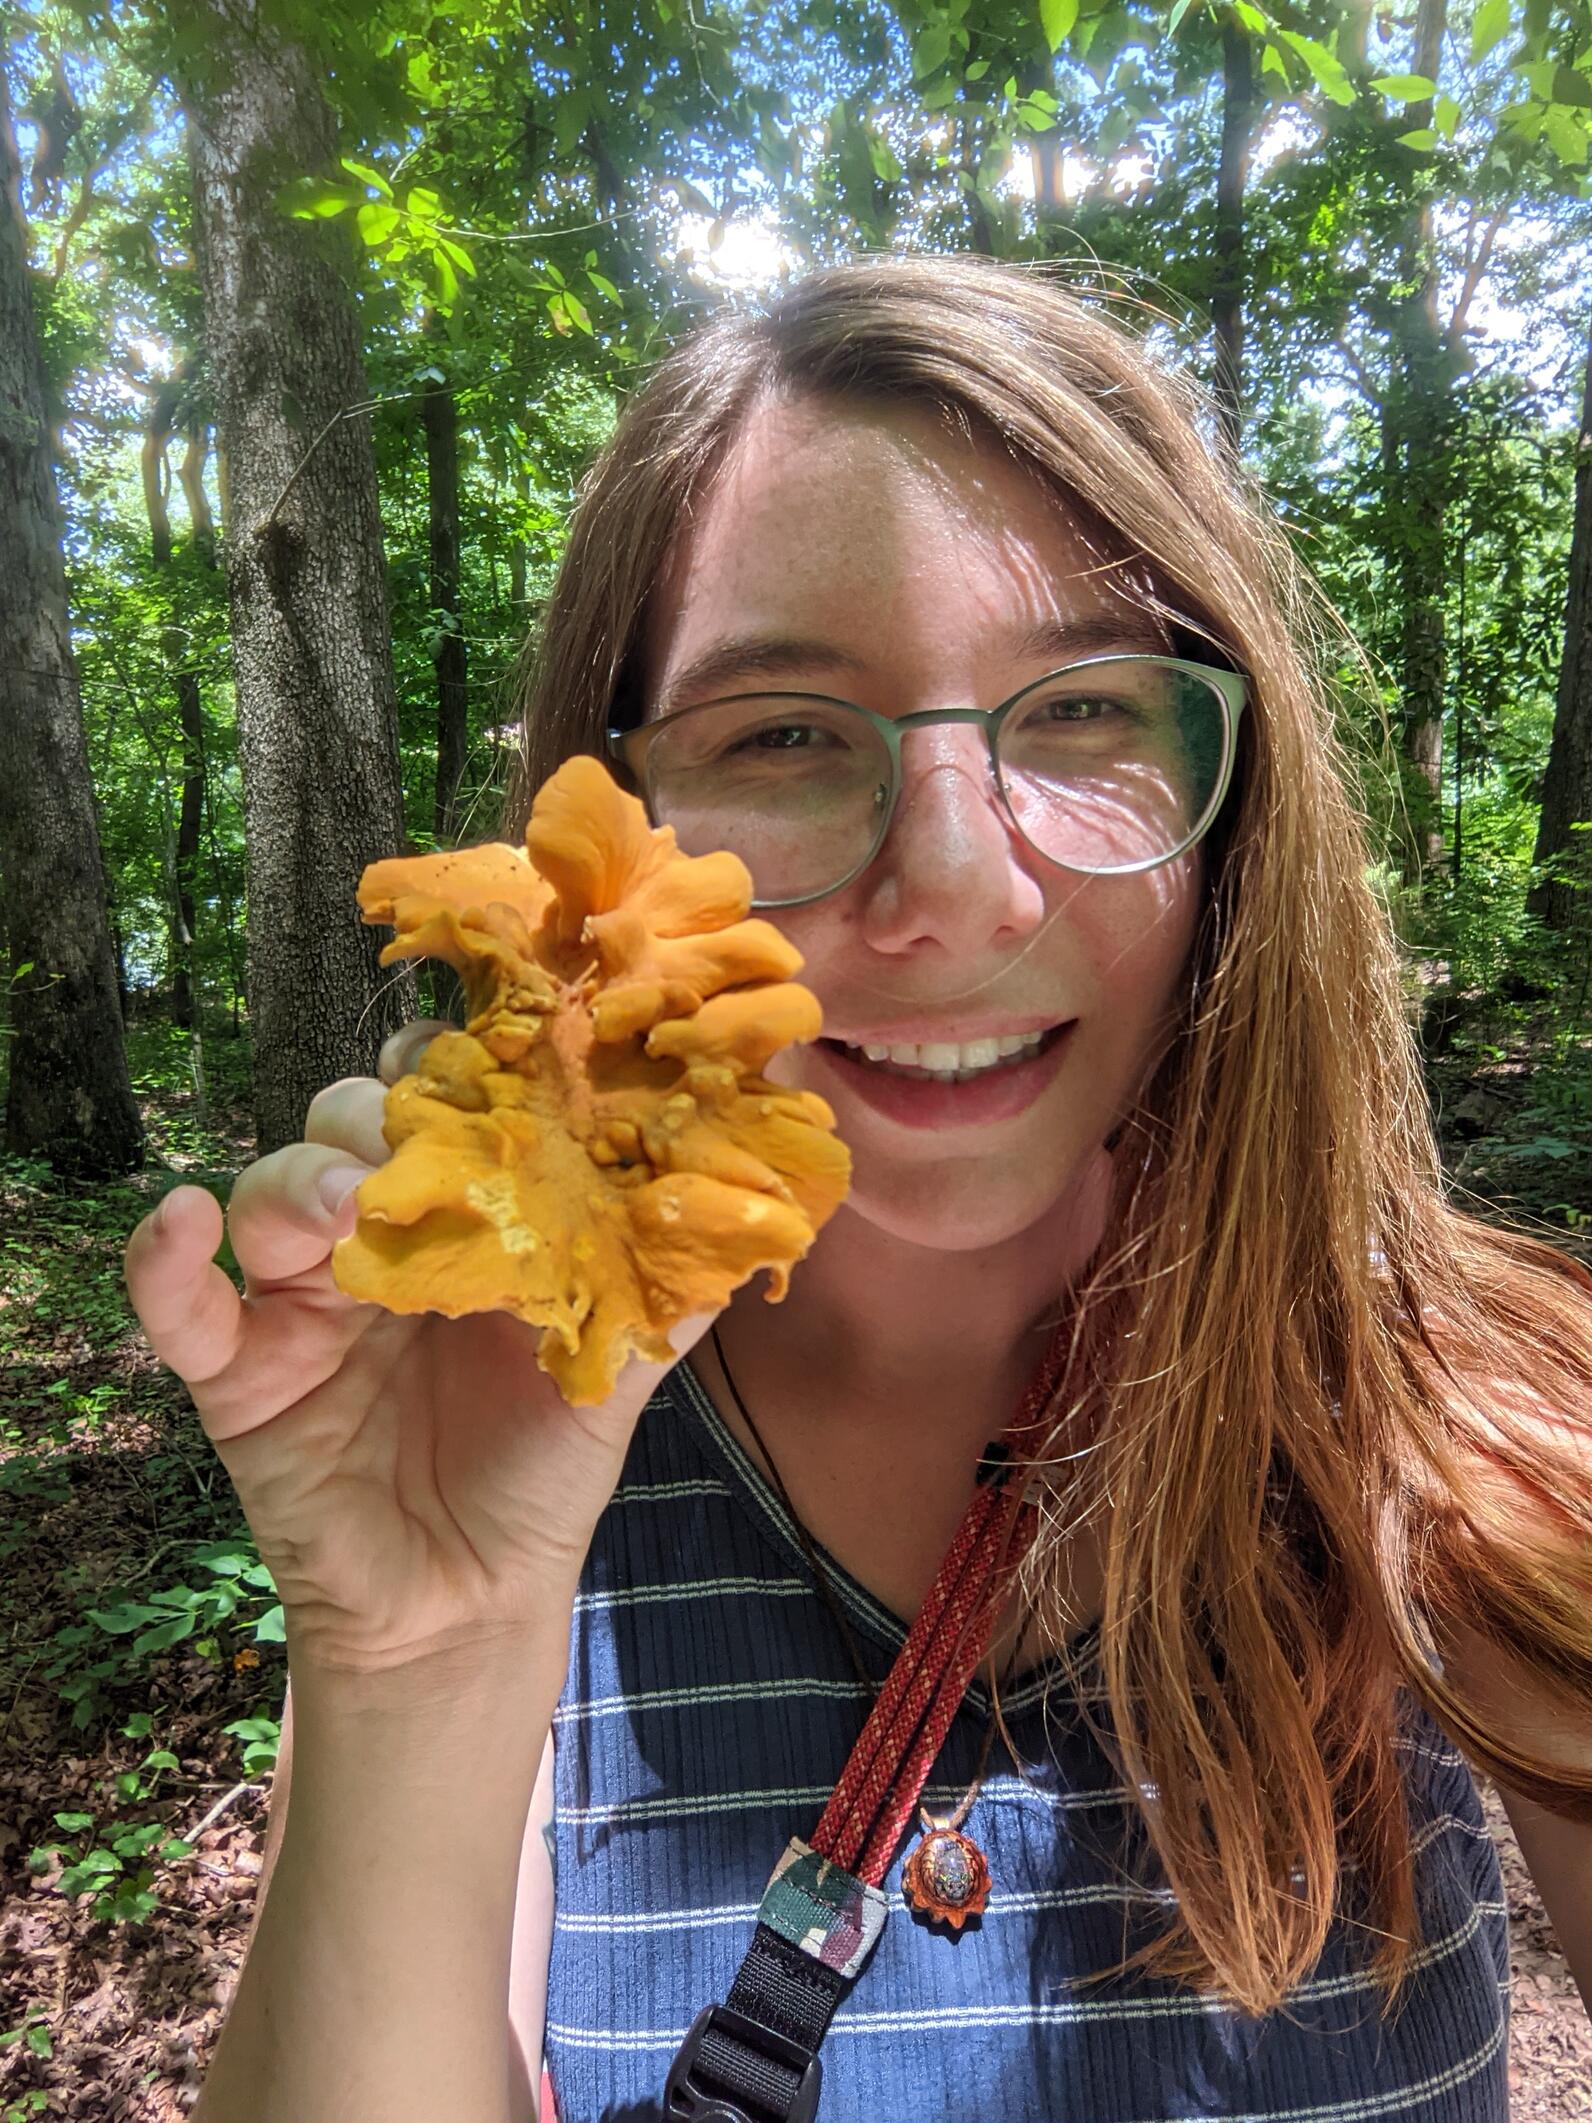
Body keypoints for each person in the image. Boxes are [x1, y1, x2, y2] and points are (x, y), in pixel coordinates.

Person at [124, 254, 1592, 2123]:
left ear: (1238, 804)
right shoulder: (508, 1429)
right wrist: (423, 1656)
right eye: (789, 737)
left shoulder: (1479, 1428)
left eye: (1086, 711)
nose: (962, 890)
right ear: (614, 850)